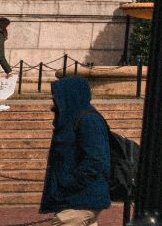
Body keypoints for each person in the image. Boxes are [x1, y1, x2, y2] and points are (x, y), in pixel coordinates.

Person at [39, 75, 111, 226]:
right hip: (77, 199)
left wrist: (70, 182)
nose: (54, 100)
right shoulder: (72, 118)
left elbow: (95, 160)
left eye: (57, 96)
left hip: (80, 200)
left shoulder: (88, 120)